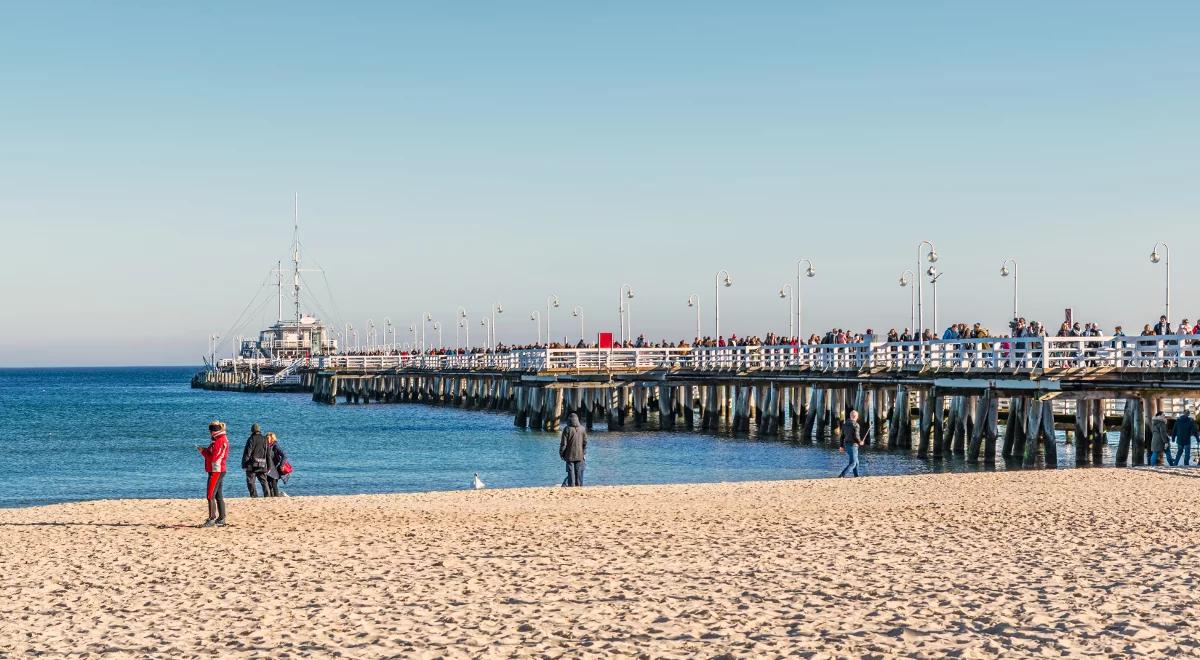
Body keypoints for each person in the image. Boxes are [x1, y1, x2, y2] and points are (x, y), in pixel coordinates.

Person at [198, 421, 229, 527]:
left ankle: (212, 519)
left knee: (210, 495)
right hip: (218, 469)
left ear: (213, 431)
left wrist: (203, 452)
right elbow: (213, 454)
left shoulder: (219, 441)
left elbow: (213, 457)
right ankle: (221, 518)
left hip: (216, 470)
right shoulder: (219, 440)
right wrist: (206, 450)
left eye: (210, 431)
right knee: (218, 495)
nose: (209, 433)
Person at [241, 423, 271, 497]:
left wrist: (244, 464)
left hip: (251, 465)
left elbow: (247, 453)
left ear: (252, 430)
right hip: (262, 464)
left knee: (250, 481)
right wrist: (269, 466)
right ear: (259, 430)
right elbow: (268, 454)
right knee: (264, 481)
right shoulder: (265, 439)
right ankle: (267, 496)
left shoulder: (251, 439)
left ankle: (254, 496)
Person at [559, 412, 587, 487]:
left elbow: (563, 444)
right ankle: (578, 485)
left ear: (569, 420)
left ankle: (571, 485)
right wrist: (584, 452)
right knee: (578, 470)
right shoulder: (582, 429)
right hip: (580, 454)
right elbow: (585, 442)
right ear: (577, 420)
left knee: (570, 471)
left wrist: (561, 453)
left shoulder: (567, 429)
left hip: (569, 455)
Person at [839, 410, 864, 478]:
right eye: (857, 416)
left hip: (847, 445)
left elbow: (842, 436)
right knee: (853, 463)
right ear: (855, 416)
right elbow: (856, 436)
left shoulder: (844, 424)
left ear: (850, 416)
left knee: (856, 462)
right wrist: (860, 442)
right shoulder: (856, 425)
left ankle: (856, 476)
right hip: (853, 446)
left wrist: (841, 446)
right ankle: (842, 475)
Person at [264, 432, 289, 496]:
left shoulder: (275, 445)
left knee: (274, 483)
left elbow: (284, 455)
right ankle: (272, 497)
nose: (266, 439)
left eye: (267, 438)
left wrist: (282, 465)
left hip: (275, 468)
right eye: (266, 438)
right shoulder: (267, 446)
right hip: (269, 467)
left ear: (272, 438)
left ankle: (275, 497)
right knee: (268, 483)